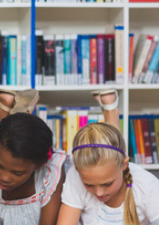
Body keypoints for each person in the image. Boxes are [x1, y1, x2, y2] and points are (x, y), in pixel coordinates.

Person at [57, 90, 159, 225]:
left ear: (124, 165)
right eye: (89, 185)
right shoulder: (75, 176)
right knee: (113, 149)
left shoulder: (148, 186)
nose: (99, 193)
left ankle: (110, 109)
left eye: (107, 184)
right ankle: (110, 108)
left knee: (114, 150)